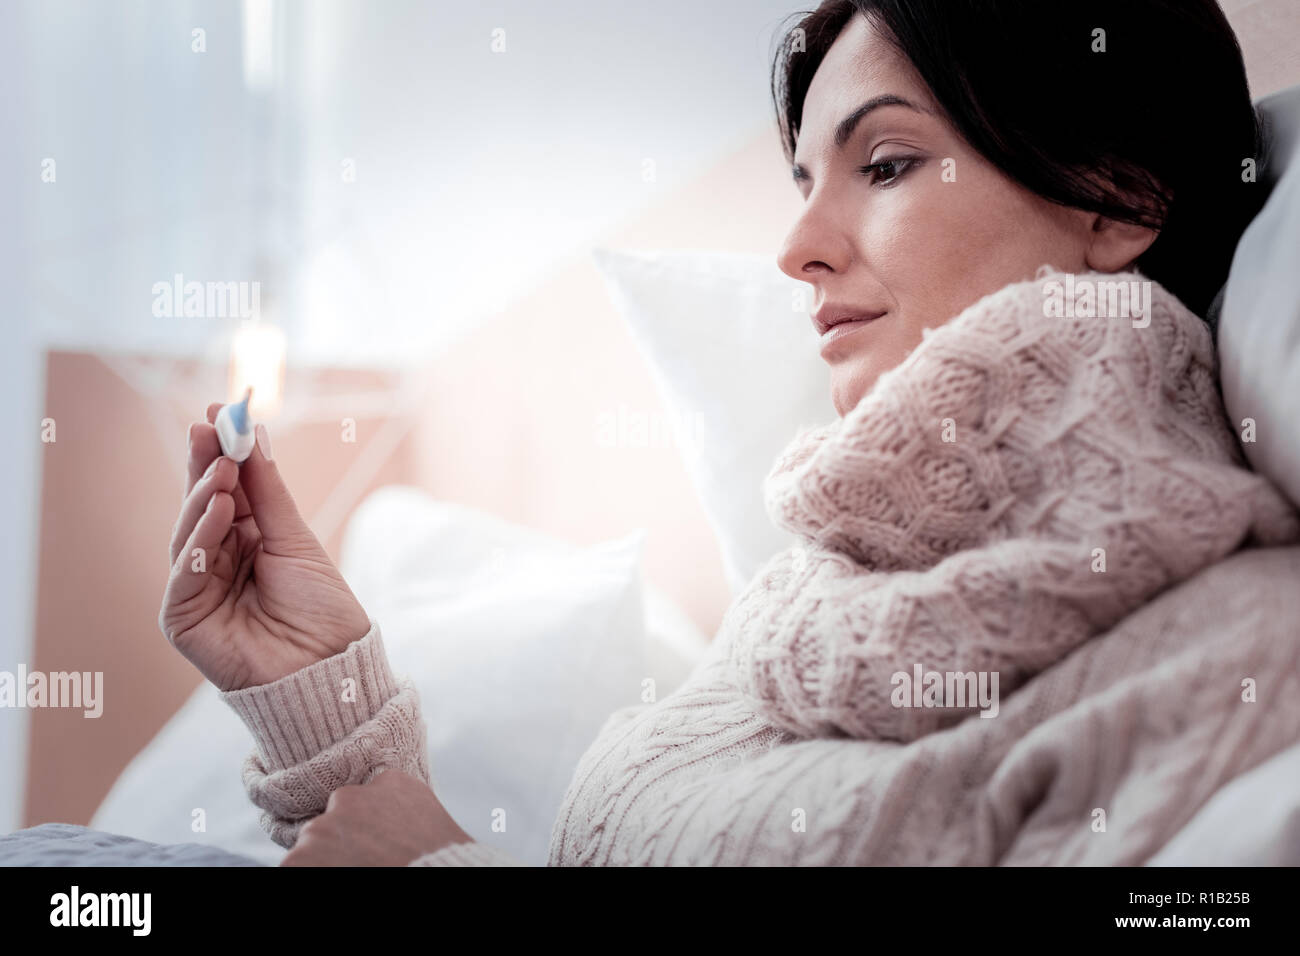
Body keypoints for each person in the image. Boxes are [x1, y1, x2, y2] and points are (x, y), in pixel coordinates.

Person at [159, 0, 1300, 866]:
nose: (795, 245)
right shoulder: (802, 595)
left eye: (886, 163)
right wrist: (318, 697)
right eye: (803, 178)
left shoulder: (1238, 652)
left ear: (1115, 198)